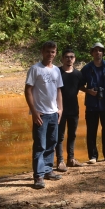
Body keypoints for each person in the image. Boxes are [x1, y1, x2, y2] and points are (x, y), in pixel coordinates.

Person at [25, 41, 64, 189]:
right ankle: (38, 176)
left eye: (53, 52)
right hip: (40, 114)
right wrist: (34, 111)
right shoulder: (35, 69)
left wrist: (60, 110)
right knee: (40, 145)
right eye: (48, 51)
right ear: (42, 51)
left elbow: (59, 90)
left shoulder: (56, 70)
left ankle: (48, 170)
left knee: (52, 143)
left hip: (53, 112)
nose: (50, 54)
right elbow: (28, 91)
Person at [80, 42, 105, 164]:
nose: (98, 53)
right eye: (95, 50)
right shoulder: (86, 68)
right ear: (92, 53)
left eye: (100, 50)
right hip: (92, 105)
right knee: (91, 131)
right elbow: (79, 85)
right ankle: (93, 156)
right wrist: (87, 90)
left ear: (103, 53)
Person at [55, 48, 84, 171]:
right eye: (66, 57)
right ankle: (60, 160)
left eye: (71, 57)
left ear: (75, 59)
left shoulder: (78, 74)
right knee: (60, 136)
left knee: (72, 135)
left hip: (74, 109)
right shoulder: (57, 72)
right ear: (62, 59)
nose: (69, 59)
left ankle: (71, 159)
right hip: (59, 110)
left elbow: (81, 88)